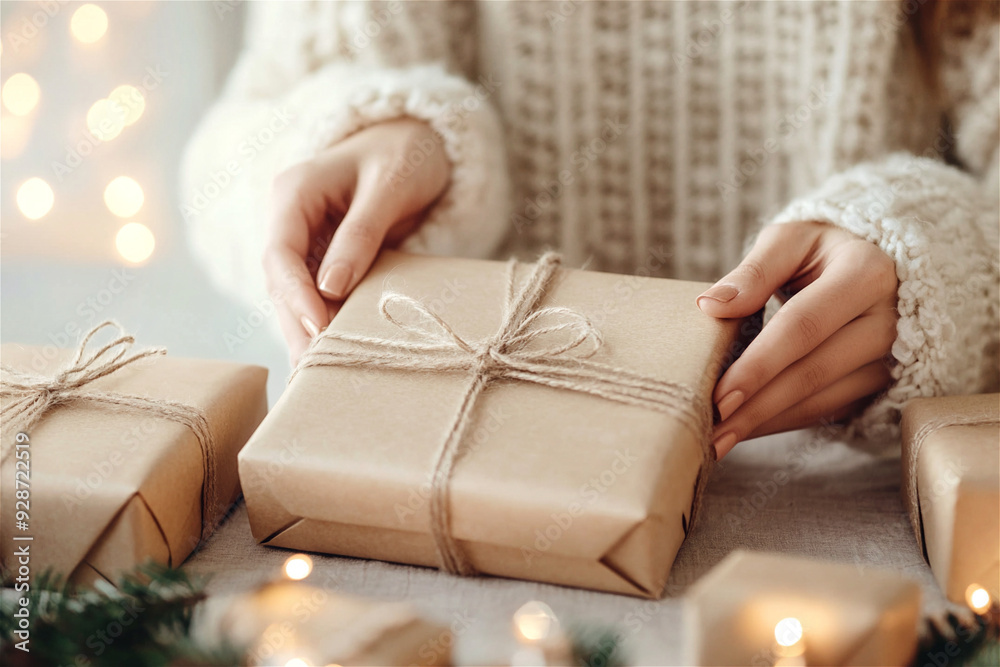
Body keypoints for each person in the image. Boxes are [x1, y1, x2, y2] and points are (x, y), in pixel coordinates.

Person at [180, 1, 998, 459]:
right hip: (448, 475)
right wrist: (371, 132)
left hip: (853, 522)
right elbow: (236, 147)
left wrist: (944, 269)